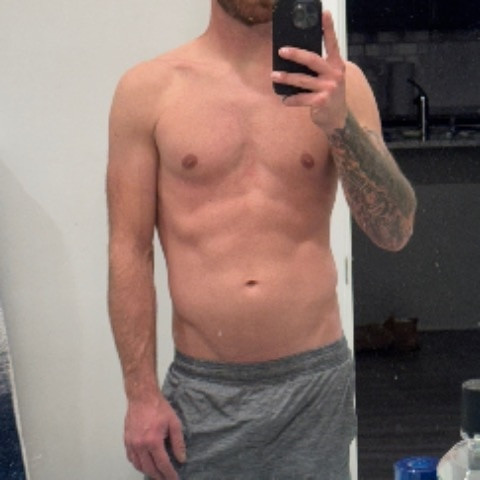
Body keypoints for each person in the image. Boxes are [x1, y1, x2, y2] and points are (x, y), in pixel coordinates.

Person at [106, 1, 417, 479]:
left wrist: (340, 125)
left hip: (314, 389)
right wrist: (140, 395)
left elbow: (394, 230)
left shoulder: (340, 85)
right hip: (204, 393)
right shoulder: (149, 89)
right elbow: (129, 249)